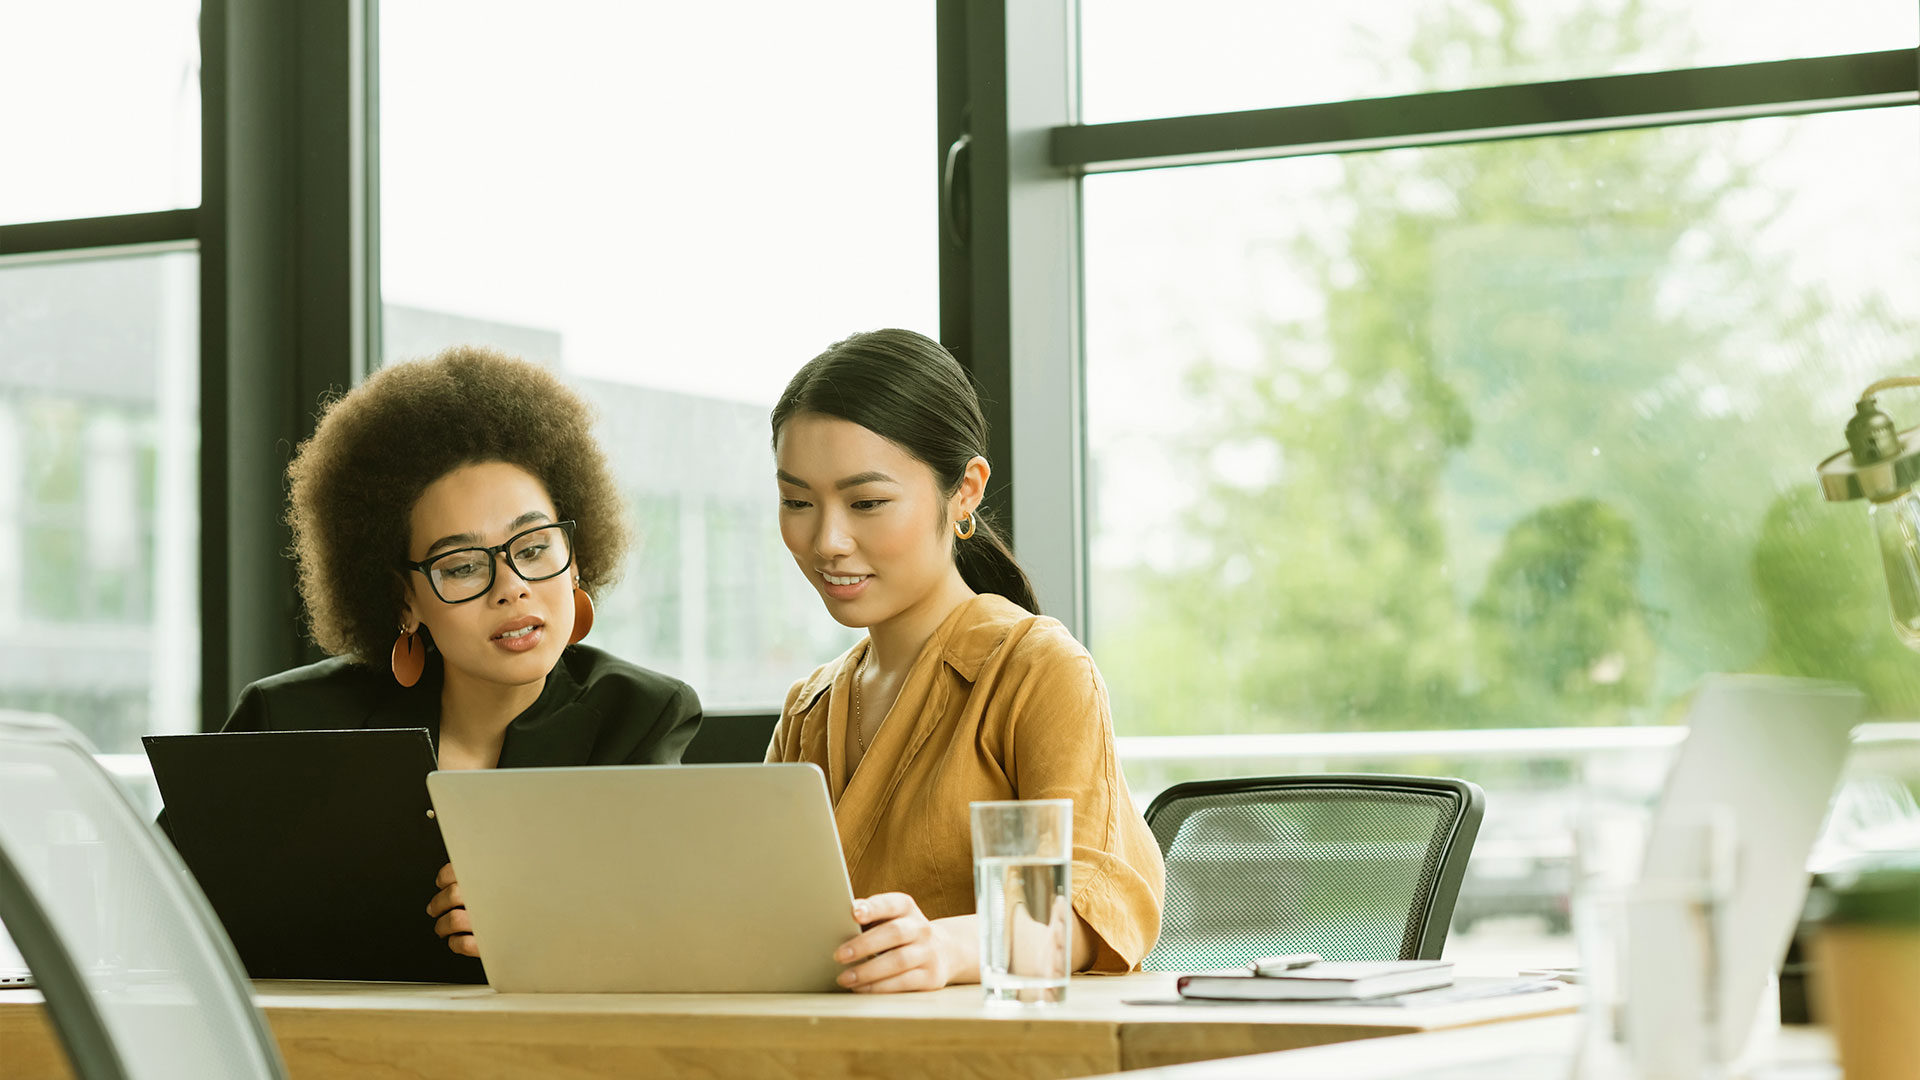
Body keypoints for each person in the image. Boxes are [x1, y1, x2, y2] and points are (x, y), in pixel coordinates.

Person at [215, 345, 702, 957]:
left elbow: (663, 924)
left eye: (532, 547)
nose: (512, 587)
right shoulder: (286, 723)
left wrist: (546, 915)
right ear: (403, 601)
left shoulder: (639, 717)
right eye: (464, 565)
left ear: (574, 557)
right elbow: (155, 905)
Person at [766, 328, 1164, 993]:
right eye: (798, 502)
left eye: (866, 503)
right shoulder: (810, 706)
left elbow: (1093, 912)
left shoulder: (1038, 670)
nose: (827, 540)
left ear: (965, 491)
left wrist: (948, 948)